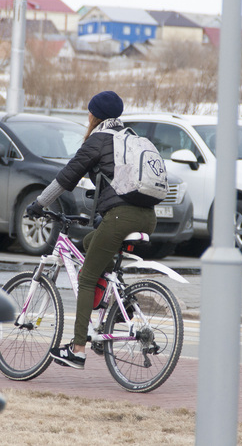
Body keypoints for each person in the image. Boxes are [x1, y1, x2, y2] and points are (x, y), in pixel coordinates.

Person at [26, 90, 157, 369]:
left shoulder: (98, 140)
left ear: (94, 115)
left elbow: (66, 178)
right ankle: (118, 306)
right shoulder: (131, 139)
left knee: (87, 278)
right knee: (89, 243)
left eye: (89, 112)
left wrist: (37, 204)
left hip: (121, 217)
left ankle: (77, 350)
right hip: (147, 217)